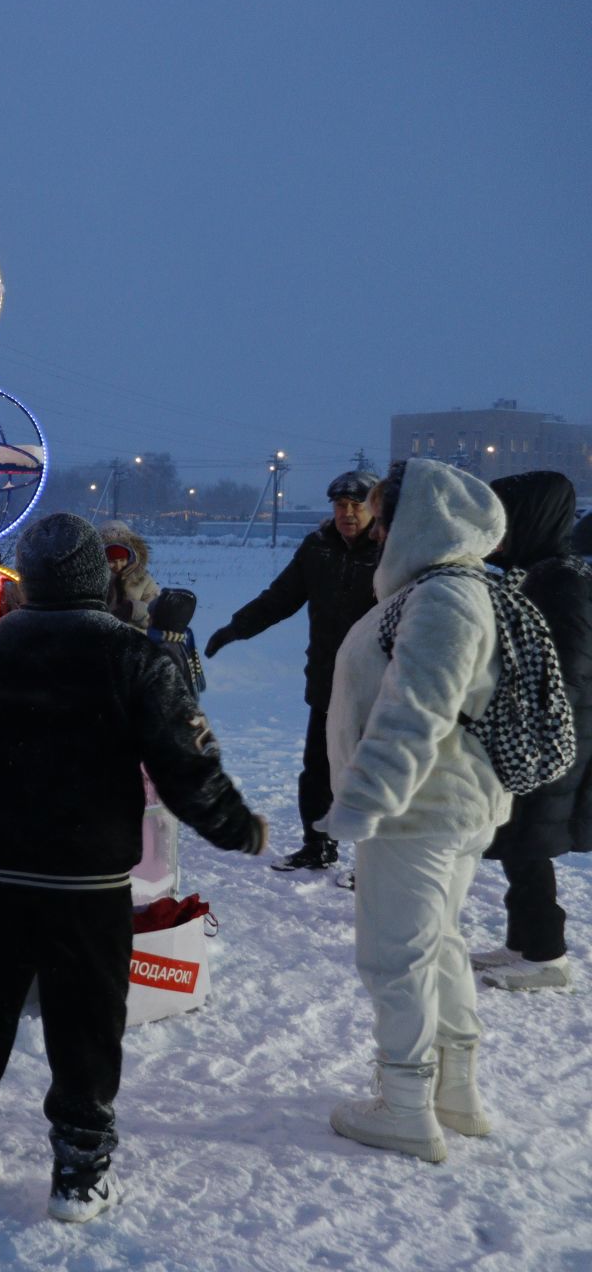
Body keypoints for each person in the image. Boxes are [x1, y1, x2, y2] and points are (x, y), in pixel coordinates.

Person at [0, 513, 265, 1222]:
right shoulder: (133, 654)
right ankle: (79, 1174)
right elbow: (185, 762)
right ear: (95, 577)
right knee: (87, 1022)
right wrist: (237, 827)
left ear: (31, 578)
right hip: (89, 884)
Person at [318, 459, 512, 1163]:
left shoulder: (444, 597)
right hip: (442, 806)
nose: (375, 527)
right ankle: (455, 1094)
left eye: (384, 512)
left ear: (417, 518)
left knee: (395, 958)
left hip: (417, 811)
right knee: (438, 944)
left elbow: (416, 711)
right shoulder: (441, 590)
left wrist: (362, 804)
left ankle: (405, 1107)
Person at [204, 470, 381, 872]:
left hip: (378, 684)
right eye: (340, 506)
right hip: (327, 679)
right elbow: (281, 597)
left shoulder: (389, 550)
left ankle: (373, 863)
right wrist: (236, 628)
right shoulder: (317, 547)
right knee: (317, 770)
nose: (347, 514)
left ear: (374, 508)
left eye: (357, 505)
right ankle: (317, 845)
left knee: (373, 772)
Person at [470, 471, 590, 991]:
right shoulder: (536, 573)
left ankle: (547, 956)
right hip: (543, 731)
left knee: (529, 840)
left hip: (555, 737)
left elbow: (562, 666)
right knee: (519, 839)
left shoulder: (560, 581)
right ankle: (524, 941)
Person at [98, 521, 160, 631]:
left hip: (135, 641)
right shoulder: (94, 580)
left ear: (131, 557)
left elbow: (156, 619)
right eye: (112, 561)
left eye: (122, 560)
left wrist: (134, 610)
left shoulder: (144, 580)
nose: (118, 565)